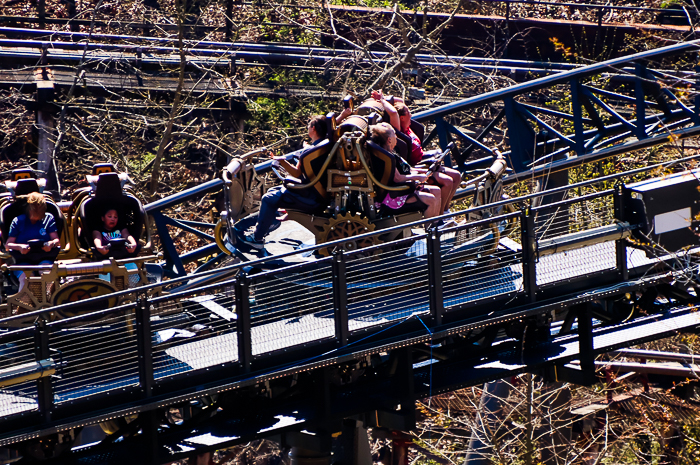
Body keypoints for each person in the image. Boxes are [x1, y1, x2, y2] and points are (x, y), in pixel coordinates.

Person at [241, 115, 329, 249]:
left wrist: (282, 161)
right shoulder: (325, 143)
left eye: (308, 126)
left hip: (311, 197)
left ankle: (257, 239)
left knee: (268, 198)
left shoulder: (309, 151)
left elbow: (296, 173)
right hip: (319, 192)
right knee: (272, 191)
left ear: (314, 129)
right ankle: (267, 225)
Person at [378, 93, 462, 215]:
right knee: (447, 181)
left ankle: (445, 211)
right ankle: (440, 215)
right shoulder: (399, 131)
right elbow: (394, 113)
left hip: (424, 162)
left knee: (457, 175)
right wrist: (381, 100)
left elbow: (400, 101)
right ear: (401, 118)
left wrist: (386, 97)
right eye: (408, 113)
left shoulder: (409, 128)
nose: (411, 115)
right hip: (417, 165)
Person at [368, 123, 442, 219]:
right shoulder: (386, 158)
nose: (396, 137)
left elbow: (408, 168)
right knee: (431, 200)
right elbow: (398, 178)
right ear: (389, 140)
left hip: (404, 189)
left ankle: (438, 223)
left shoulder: (393, 153)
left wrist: (423, 171)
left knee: (436, 190)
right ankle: (430, 230)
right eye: (394, 134)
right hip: (393, 195)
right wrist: (417, 177)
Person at [5, 192, 60, 290]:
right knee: (27, 278)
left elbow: (56, 240)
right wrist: (20, 247)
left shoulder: (48, 218)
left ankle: (51, 301)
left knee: (47, 274)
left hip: (44, 257)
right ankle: (25, 303)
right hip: (23, 259)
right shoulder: (18, 221)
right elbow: (8, 244)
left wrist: (51, 244)